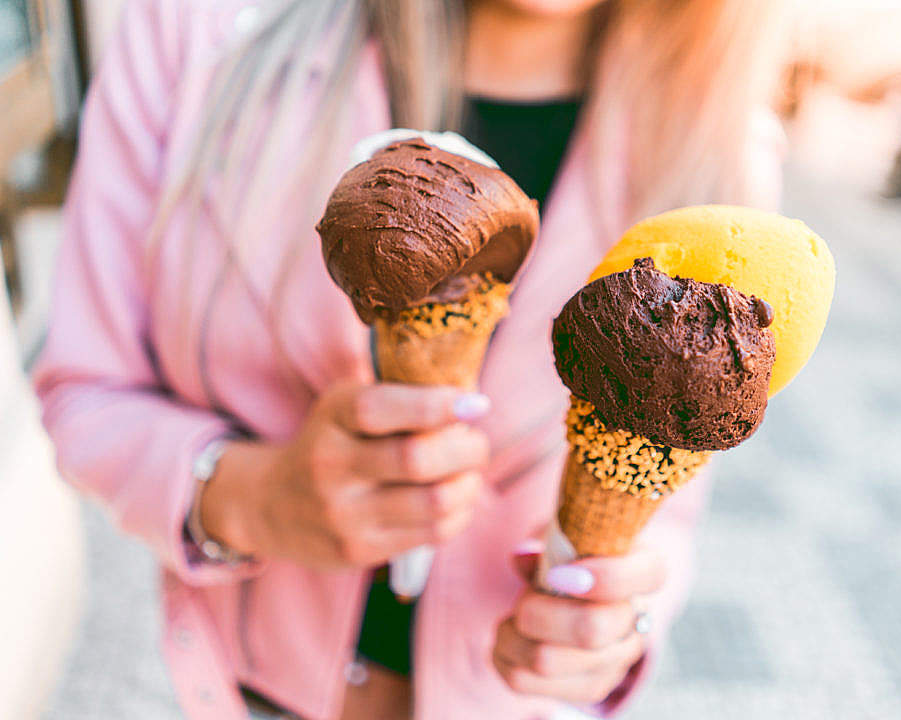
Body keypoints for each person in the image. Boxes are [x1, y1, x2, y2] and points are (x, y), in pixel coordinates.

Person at [33, 0, 785, 718]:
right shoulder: (197, 32)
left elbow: (673, 500)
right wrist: (251, 496)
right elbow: (84, 392)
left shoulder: (721, 158)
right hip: (247, 691)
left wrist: (611, 632)